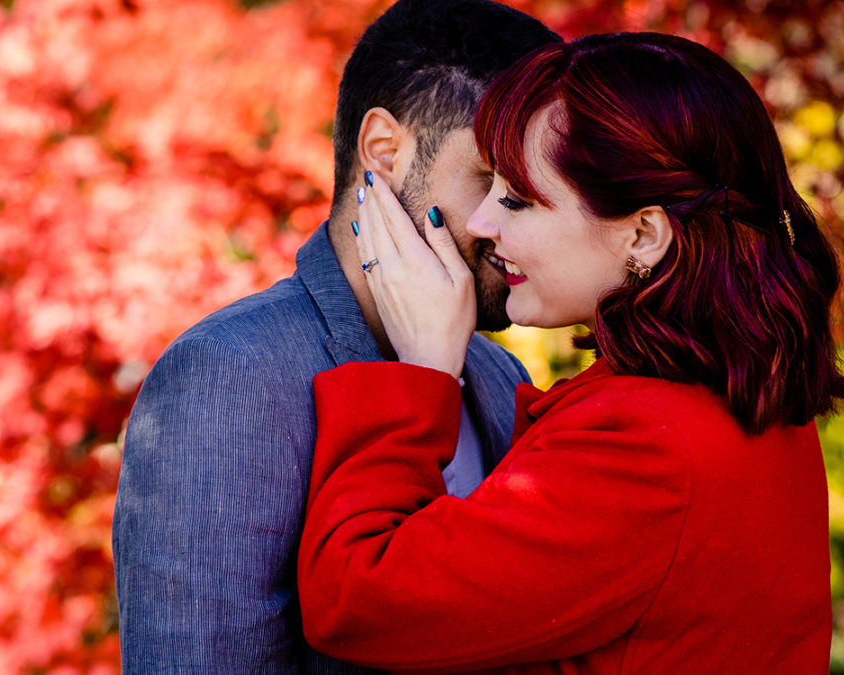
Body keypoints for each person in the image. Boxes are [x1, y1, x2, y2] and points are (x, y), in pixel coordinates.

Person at [298, 32, 844, 673]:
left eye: (518, 199)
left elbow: (355, 599)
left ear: (643, 234)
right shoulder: (734, 397)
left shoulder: (646, 449)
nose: (482, 224)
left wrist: (421, 374)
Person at [111, 1, 560, 672]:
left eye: (531, 194)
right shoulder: (228, 377)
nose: (511, 225)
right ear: (383, 151)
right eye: (492, 181)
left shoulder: (502, 378)